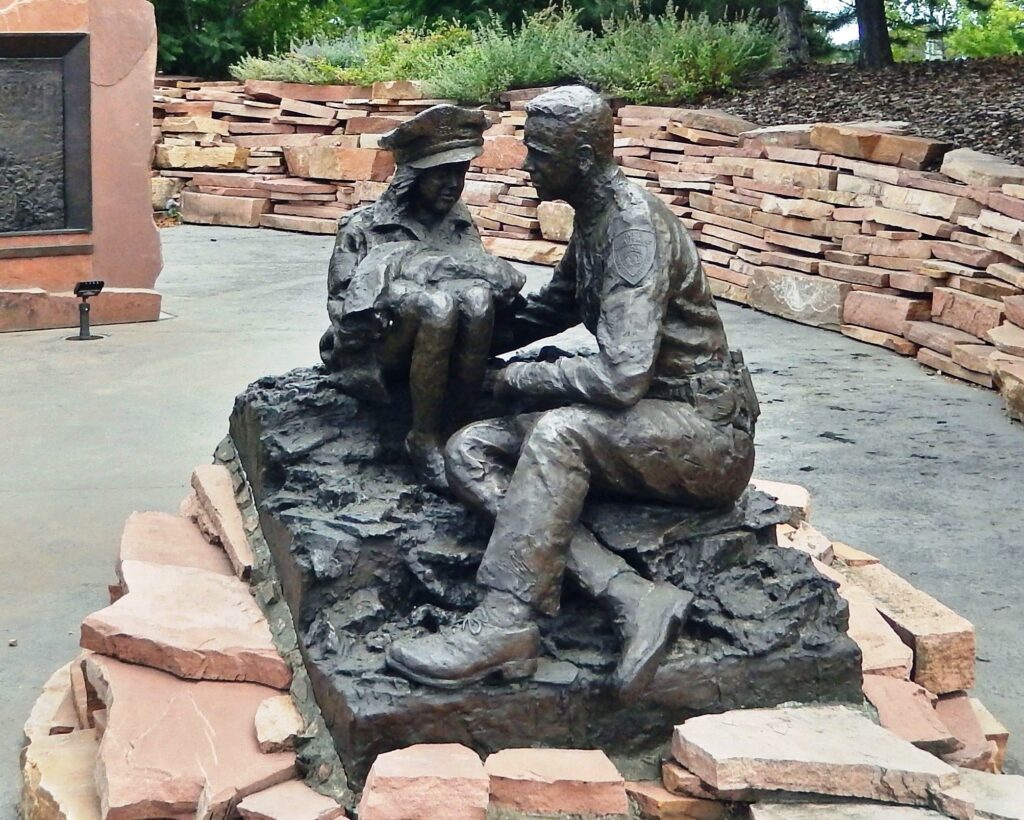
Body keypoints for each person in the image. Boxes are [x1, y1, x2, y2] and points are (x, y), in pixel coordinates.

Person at [385, 86, 761, 697]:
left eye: (537, 153)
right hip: (647, 419)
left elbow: (621, 376)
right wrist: (451, 319)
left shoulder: (632, 231)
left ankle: (508, 621)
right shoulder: (594, 220)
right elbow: (543, 314)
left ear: (582, 159)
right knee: (470, 449)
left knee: (562, 433)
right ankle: (632, 595)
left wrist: (512, 380)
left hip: (705, 434)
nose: (525, 164)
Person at [319, 105, 525, 490]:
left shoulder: (458, 224)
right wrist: (397, 294)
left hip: (444, 352)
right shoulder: (363, 227)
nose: (452, 184)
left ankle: (457, 427)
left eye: (459, 173)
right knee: (437, 305)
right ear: (412, 177)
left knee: (478, 300)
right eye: (440, 174)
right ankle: (423, 438)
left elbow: (492, 285)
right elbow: (342, 308)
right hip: (379, 354)